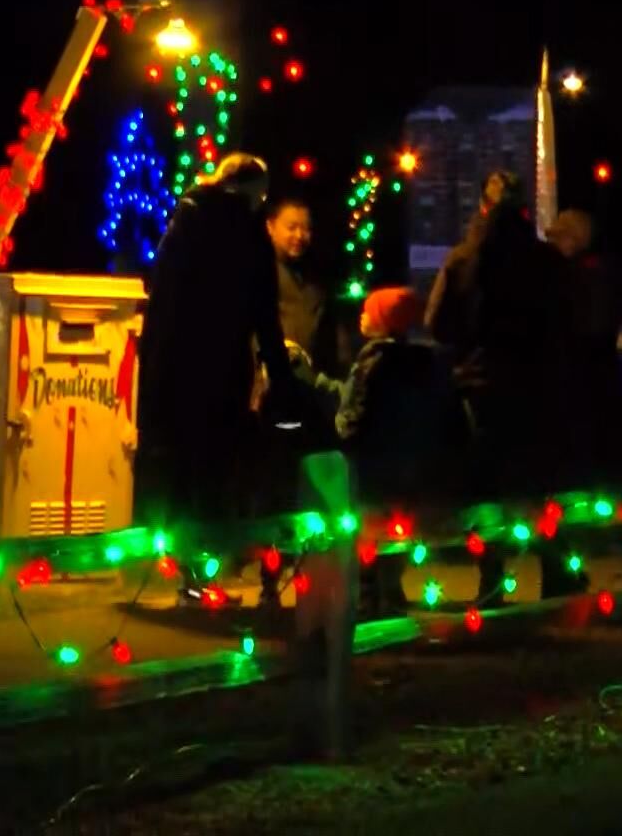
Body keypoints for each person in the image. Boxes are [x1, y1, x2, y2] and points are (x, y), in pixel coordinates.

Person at [136, 154, 292, 546]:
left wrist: (151, 364)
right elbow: (264, 313)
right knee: (214, 471)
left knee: (178, 466)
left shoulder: (184, 223)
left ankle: (178, 565)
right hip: (224, 368)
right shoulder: (250, 235)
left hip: (176, 366)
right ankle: (205, 565)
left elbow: (162, 300)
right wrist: (281, 376)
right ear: (253, 191)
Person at [427, 175, 567, 602]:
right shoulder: (544, 261)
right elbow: (566, 317)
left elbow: (438, 323)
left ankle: (491, 579)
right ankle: (553, 571)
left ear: (484, 207)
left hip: (480, 383)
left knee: (486, 486)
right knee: (538, 483)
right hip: (535, 381)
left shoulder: (465, 259)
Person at [301, 287, 441, 615]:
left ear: (382, 320)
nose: (361, 316)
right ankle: (391, 590)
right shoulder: (414, 360)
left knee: (364, 532)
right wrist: (321, 382)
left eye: (368, 311)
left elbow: (354, 410)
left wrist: (336, 436)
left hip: (369, 464)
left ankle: (365, 597)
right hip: (402, 464)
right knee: (395, 526)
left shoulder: (372, 361)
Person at [549, 209, 620, 472]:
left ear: (575, 239)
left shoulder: (582, 275)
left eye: (560, 237)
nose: (553, 244)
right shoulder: (595, 272)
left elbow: (589, 325)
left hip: (585, 370)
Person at [265, 196, 350, 376]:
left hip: (313, 382)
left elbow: (334, 332)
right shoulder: (259, 271)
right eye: (292, 227)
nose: (299, 235)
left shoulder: (317, 274)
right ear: (270, 227)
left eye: (306, 229)